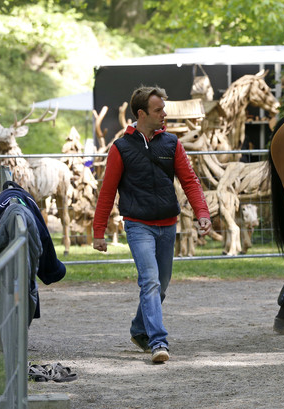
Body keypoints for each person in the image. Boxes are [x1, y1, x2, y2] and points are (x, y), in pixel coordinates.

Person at [92, 86, 212, 363]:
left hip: (168, 224)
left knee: (162, 284)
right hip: (138, 226)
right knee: (150, 282)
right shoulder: (120, 147)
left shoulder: (171, 143)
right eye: (158, 110)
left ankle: (138, 328)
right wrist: (99, 232)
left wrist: (202, 213)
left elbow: (190, 181)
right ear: (142, 113)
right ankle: (159, 342)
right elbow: (107, 192)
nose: (164, 114)